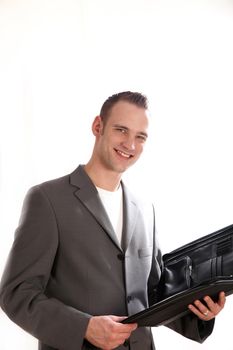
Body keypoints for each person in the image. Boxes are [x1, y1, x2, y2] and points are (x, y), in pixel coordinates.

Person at [0, 91, 225, 350]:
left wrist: (199, 309)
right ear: (98, 126)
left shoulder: (144, 209)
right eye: (121, 130)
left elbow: (151, 294)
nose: (130, 144)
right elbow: (16, 293)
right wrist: (84, 327)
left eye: (140, 137)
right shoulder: (48, 199)